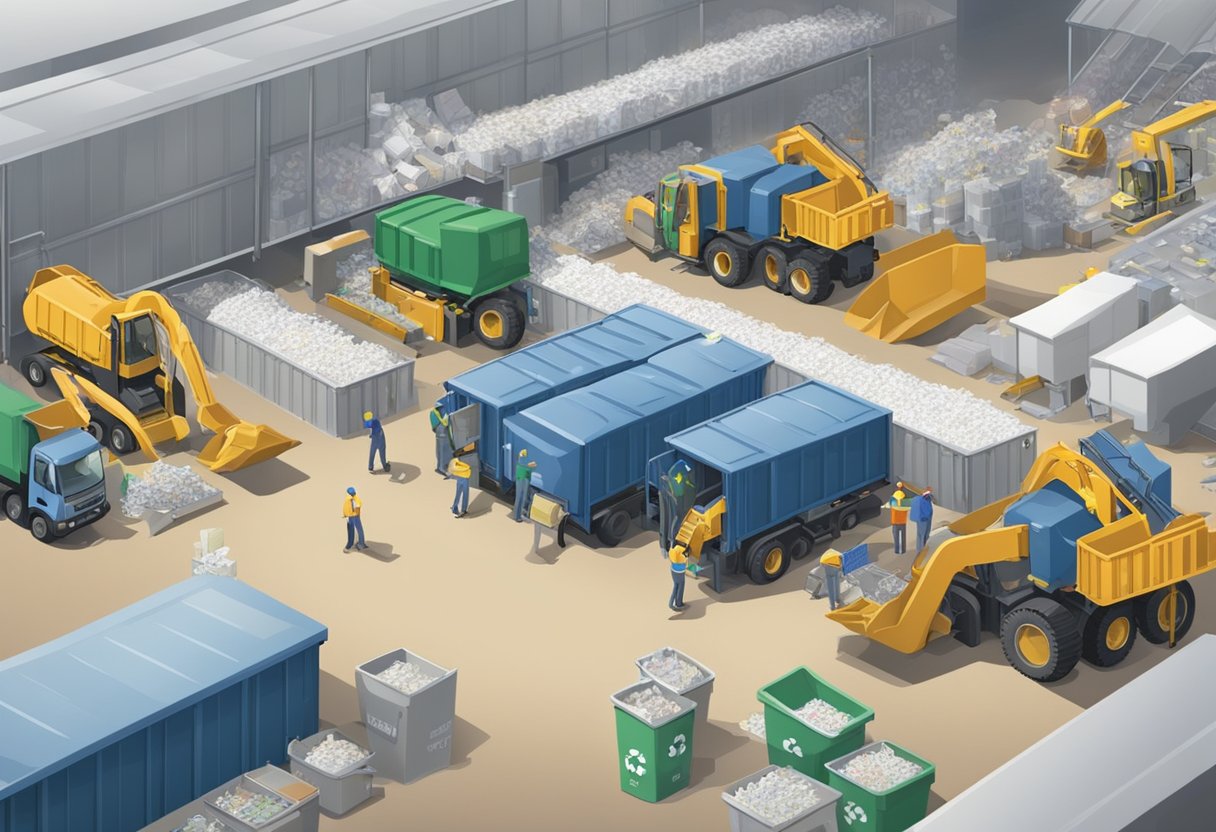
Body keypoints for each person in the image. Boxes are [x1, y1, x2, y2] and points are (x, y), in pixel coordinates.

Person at [668, 545, 700, 612]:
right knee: (680, 587)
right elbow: (687, 565)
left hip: (673, 570)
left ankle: (671, 603)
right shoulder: (684, 554)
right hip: (680, 572)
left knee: (676, 586)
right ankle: (678, 604)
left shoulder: (676, 548)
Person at [885, 483, 911, 555]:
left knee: (896, 537)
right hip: (903, 521)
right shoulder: (905, 501)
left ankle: (897, 550)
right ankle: (903, 550)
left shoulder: (893, 500)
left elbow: (888, 505)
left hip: (895, 521)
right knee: (903, 536)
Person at [513, 449, 537, 522]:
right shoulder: (524, 452)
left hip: (524, 477)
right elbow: (522, 464)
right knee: (520, 497)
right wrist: (530, 466)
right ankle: (517, 516)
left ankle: (519, 515)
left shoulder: (525, 452)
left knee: (522, 497)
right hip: (522, 477)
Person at [429, 403, 453, 477]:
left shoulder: (433, 411)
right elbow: (446, 422)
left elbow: (433, 424)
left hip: (439, 431)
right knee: (444, 450)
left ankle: (439, 467)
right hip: (443, 431)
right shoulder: (444, 409)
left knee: (439, 450)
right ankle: (443, 468)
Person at [342, 486, 367, 552]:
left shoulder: (348, 499)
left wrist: (346, 516)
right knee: (360, 530)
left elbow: (345, 509)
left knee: (351, 532)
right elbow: (359, 504)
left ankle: (349, 546)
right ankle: (361, 544)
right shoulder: (355, 498)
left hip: (351, 517)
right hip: (356, 516)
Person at [911, 487, 934, 553]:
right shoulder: (922, 498)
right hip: (923, 518)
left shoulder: (926, 498)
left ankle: (922, 549)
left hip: (924, 517)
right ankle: (921, 551)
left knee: (923, 534)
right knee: (922, 534)